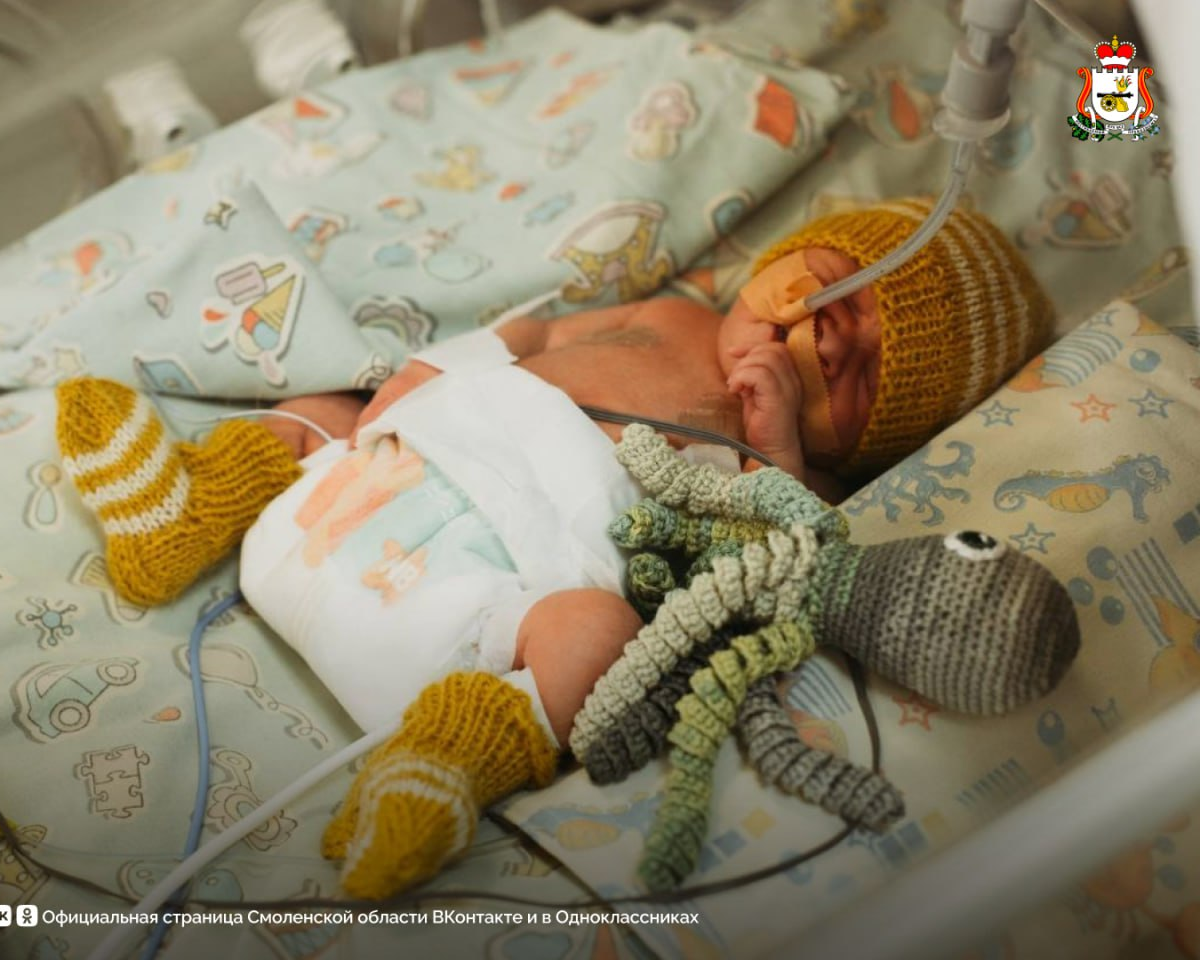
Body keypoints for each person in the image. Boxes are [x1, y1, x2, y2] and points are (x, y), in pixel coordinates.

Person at [54, 198, 1054, 899]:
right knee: (322, 410)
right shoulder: (670, 313)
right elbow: (529, 337)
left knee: (599, 638)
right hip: (362, 493)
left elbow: (770, 554)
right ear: (791, 253)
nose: (828, 340)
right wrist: (430, 373)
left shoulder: (804, 477)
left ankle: (459, 753)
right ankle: (188, 513)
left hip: (478, 613)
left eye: (859, 376)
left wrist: (779, 448)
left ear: (869, 445)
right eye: (830, 291)